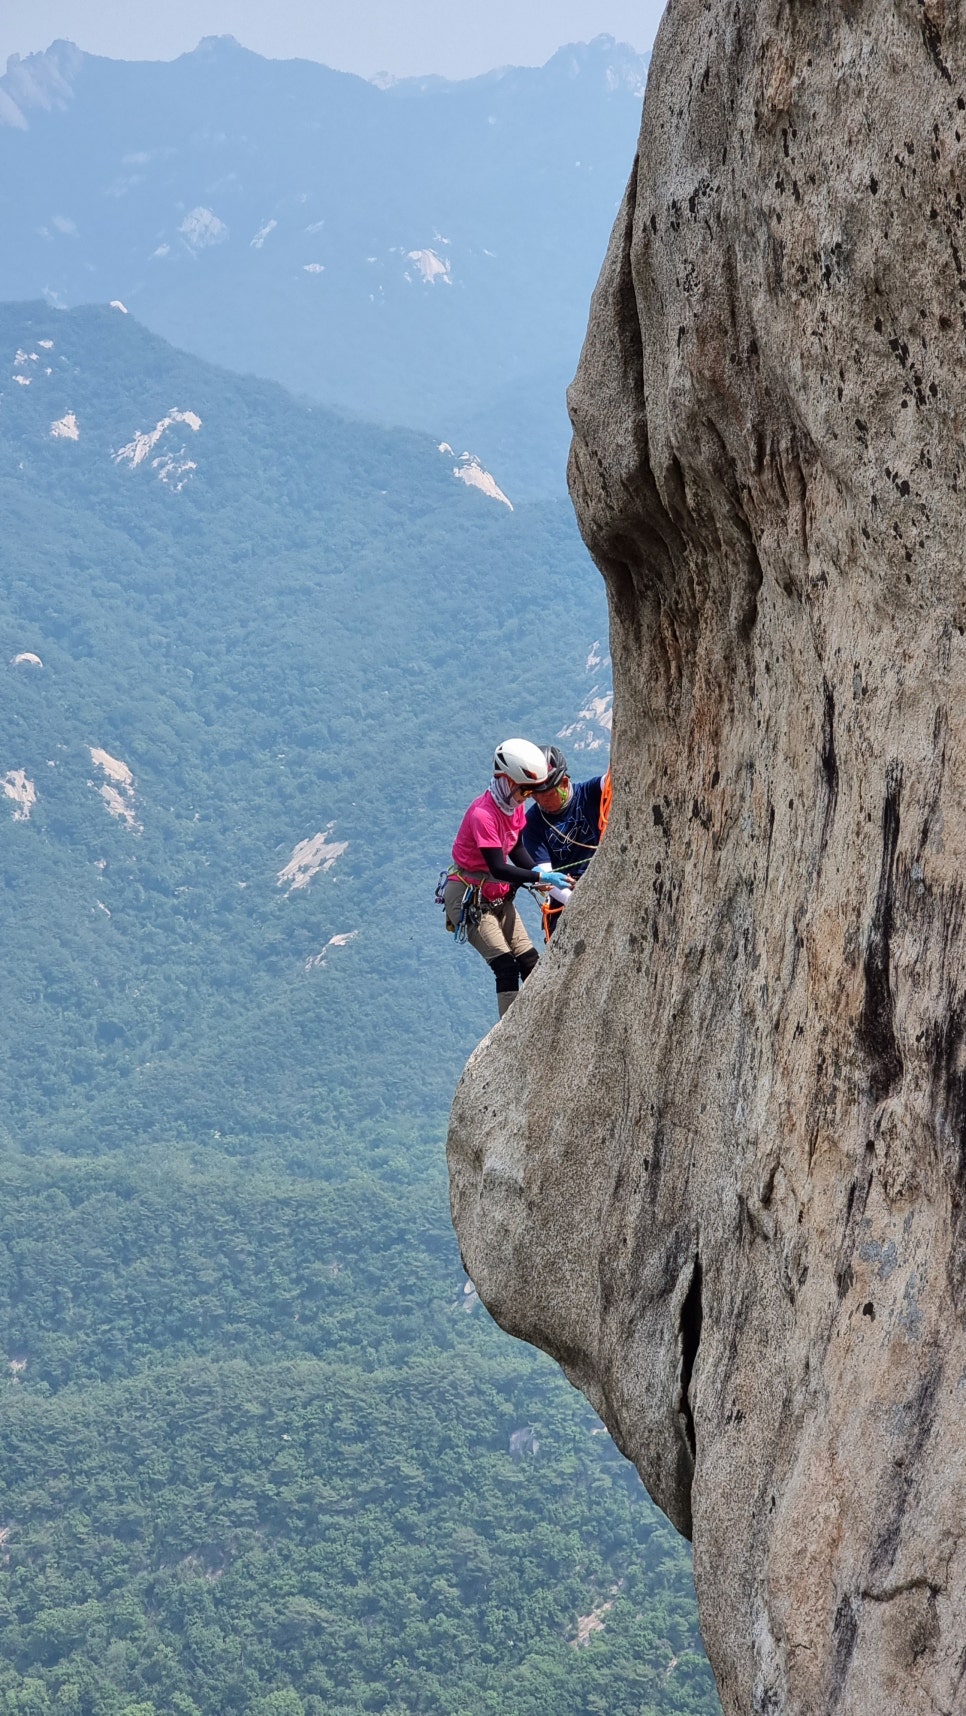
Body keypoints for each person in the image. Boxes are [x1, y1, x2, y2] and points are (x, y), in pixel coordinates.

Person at [442, 739, 570, 1017]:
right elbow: (498, 867)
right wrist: (537, 875)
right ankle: (509, 1036)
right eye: (523, 790)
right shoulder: (483, 815)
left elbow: (516, 848)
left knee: (529, 960)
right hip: (470, 898)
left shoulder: (512, 807)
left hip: (498, 896)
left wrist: (542, 876)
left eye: (530, 791)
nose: (526, 797)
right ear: (504, 779)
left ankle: (544, 1018)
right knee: (505, 966)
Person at [522, 745, 608, 937]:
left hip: (603, 880)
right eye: (535, 796)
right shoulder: (533, 824)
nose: (542, 801)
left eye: (547, 794)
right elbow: (546, 877)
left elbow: (612, 779)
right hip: (566, 898)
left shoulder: (589, 792)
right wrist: (577, 903)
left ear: (564, 782)